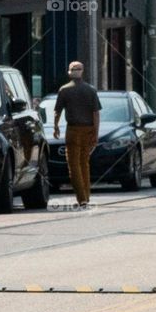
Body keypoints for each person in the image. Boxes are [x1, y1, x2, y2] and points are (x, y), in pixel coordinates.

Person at [52, 60, 101, 207]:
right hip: (88, 129)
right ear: (82, 71)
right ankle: (86, 195)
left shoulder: (64, 90)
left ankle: (82, 198)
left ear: (69, 72)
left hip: (73, 130)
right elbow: (96, 113)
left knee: (74, 165)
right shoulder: (91, 90)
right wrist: (95, 132)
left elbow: (57, 111)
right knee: (84, 163)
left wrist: (56, 127)